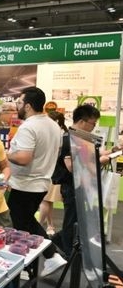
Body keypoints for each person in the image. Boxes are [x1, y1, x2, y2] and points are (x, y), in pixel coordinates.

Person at [7, 86, 67, 277]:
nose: (17, 106)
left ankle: (51, 254)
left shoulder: (29, 126)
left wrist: (6, 154)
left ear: (28, 106)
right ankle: (31, 263)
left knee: (22, 223)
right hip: (41, 183)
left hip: (25, 184)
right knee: (24, 222)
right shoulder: (53, 125)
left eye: (19, 102)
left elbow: (24, 158)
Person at [50, 105, 106, 258]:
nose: (94, 127)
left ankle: (59, 240)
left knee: (78, 218)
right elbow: (71, 167)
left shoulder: (82, 139)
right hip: (71, 185)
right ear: (82, 121)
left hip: (81, 184)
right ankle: (69, 252)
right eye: (92, 123)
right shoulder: (68, 139)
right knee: (71, 219)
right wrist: (98, 162)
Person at [39, 110, 67, 236]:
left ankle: (38, 225)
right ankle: (50, 225)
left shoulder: (58, 135)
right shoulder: (62, 134)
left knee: (45, 200)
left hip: (52, 173)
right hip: (54, 172)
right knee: (48, 200)